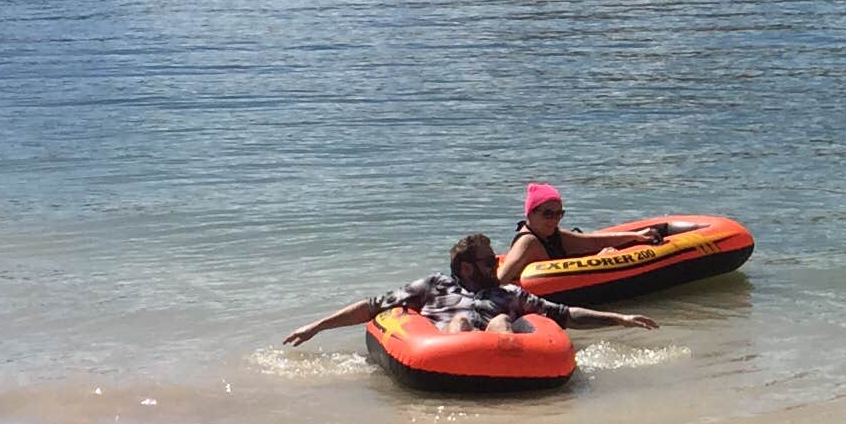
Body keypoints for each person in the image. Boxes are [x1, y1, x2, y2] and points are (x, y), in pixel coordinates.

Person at [283, 233, 658, 347]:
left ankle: (499, 352)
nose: (495, 265)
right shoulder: (434, 286)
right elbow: (373, 306)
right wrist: (315, 326)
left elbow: (563, 314)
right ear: (466, 267)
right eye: (486, 261)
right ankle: (470, 346)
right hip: (446, 345)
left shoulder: (508, 294)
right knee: (462, 321)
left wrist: (620, 318)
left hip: (497, 345)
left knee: (497, 322)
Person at [497, 183, 674, 282]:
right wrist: (600, 259)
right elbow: (500, 279)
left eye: (559, 214)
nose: (555, 219)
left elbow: (591, 241)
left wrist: (636, 236)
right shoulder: (528, 242)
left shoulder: (551, 235)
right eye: (548, 214)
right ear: (530, 213)